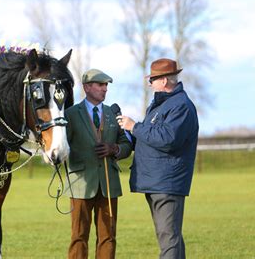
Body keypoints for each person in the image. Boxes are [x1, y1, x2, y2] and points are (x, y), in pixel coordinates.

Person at [117, 58, 199, 259]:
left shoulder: (181, 106)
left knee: (168, 238)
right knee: (170, 237)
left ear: (163, 81)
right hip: (156, 181)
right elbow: (151, 137)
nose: (150, 83)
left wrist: (134, 127)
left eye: (152, 79)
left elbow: (168, 138)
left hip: (167, 183)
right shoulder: (161, 105)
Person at [65, 69, 132, 259]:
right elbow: (62, 144)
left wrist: (115, 149)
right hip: (80, 184)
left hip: (109, 185)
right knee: (78, 237)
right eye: (100, 85)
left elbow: (126, 144)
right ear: (87, 87)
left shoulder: (112, 113)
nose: (105, 89)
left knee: (108, 237)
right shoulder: (70, 114)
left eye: (106, 86)